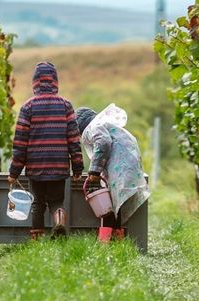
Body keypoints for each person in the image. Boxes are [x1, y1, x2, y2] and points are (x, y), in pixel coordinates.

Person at [8, 62, 83, 240]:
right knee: (57, 201)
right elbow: (74, 139)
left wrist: (14, 172)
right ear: (55, 82)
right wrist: (77, 167)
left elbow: (20, 143)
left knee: (37, 204)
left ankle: (38, 243)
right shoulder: (66, 105)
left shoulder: (28, 107)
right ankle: (59, 222)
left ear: (35, 83)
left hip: (36, 166)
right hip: (59, 165)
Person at [75, 104, 150, 242]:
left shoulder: (93, 127)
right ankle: (116, 241)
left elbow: (103, 143)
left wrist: (94, 171)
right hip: (128, 164)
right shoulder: (103, 124)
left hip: (120, 166)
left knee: (111, 209)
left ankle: (107, 243)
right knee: (116, 208)